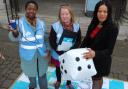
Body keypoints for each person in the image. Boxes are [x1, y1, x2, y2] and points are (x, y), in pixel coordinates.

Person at [8, 1, 49, 89]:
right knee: (31, 75)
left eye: (34, 9)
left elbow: (45, 38)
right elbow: (13, 38)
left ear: (36, 10)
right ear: (26, 9)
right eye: (29, 9)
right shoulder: (19, 23)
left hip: (41, 55)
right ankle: (32, 86)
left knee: (42, 75)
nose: (31, 11)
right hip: (28, 56)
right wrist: (14, 32)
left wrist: (48, 49)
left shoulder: (41, 23)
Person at [80, 1, 119, 89]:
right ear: (96, 12)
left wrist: (95, 54)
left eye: (105, 12)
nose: (102, 14)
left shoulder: (113, 28)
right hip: (90, 59)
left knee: (96, 80)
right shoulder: (94, 23)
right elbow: (87, 39)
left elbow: (109, 51)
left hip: (101, 61)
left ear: (109, 13)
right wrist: (79, 50)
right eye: (99, 11)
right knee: (93, 78)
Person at [49, 4, 81, 89]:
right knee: (58, 68)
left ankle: (68, 82)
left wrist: (72, 50)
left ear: (71, 15)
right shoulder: (55, 26)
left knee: (69, 68)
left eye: (66, 14)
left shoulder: (76, 26)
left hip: (70, 53)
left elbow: (78, 40)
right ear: (59, 15)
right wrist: (59, 51)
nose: (64, 16)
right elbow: (51, 41)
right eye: (62, 14)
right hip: (57, 53)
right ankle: (59, 80)